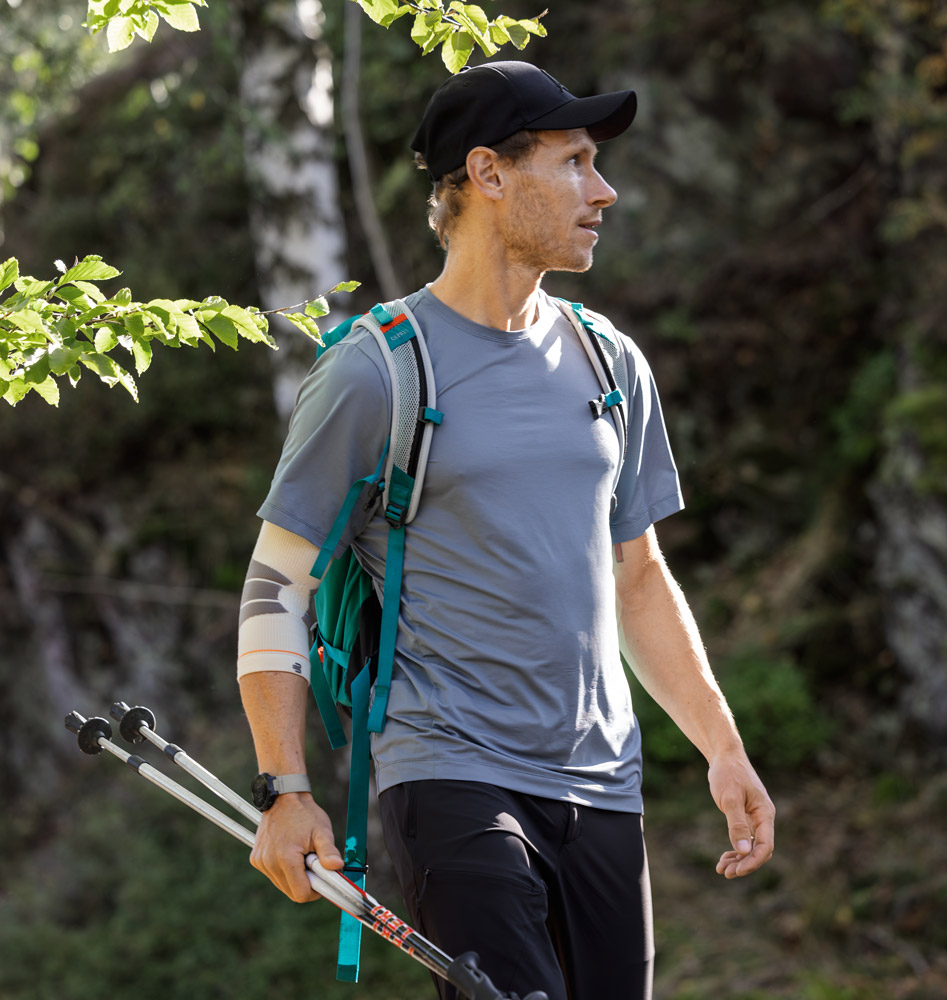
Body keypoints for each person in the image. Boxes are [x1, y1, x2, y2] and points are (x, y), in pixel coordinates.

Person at [237, 60, 775, 1000]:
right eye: (573, 162)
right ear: (488, 173)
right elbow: (276, 586)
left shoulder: (610, 362)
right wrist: (285, 789)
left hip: (603, 785)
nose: (603, 191)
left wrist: (722, 746)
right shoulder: (376, 372)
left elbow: (638, 575)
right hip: (449, 773)